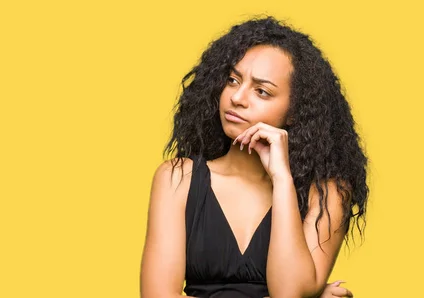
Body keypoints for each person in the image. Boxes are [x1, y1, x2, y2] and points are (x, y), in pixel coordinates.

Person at [140, 16, 368, 298]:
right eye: (233, 80)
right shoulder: (178, 178)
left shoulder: (327, 194)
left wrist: (282, 179)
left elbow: (290, 292)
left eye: (261, 91)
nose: (237, 97)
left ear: (296, 111)